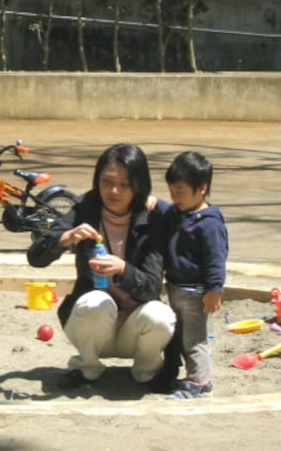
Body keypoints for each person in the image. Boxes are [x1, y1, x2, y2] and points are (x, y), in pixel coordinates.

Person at [27, 143, 175, 389]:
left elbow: (151, 288)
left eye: (125, 184)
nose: (114, 191)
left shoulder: (152, 218)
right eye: (107, 182)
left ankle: (146, 371)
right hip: (92, 327)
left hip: (134, 327)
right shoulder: (86, 208)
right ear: (97, 180)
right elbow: (35, 257)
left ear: (139, 185)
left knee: (160, 316)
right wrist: (67, 237)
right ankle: (87, 368)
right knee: (95, 300)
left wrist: (122, 269)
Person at [162, 151, 229, 399]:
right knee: (179, 336)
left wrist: (215, 289)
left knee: (194, 339)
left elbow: (216, 258)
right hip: (176, 287)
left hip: (196, 292)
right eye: (171, 191)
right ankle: (193, 377)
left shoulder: (209, 223)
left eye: (180, 191)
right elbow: (162, 208)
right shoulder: (179, 214)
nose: (174, 197)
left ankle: (200, 382)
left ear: (202, 188)